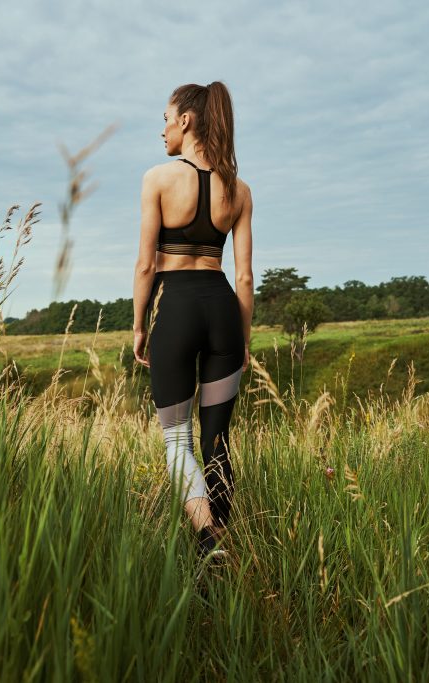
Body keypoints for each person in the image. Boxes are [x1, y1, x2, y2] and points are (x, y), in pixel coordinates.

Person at [132, 81, 254, 565]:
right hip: (223, 310)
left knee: (177, 440)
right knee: (217, 440)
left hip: (176, 309)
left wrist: (139, 324)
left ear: (185, 121)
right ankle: (222, 547)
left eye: (166, 119)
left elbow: (146, 264)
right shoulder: (238, 189)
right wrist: (243, 339)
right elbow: (244, 276)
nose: (162, 129)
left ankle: (209, 540)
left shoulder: (158, 179)